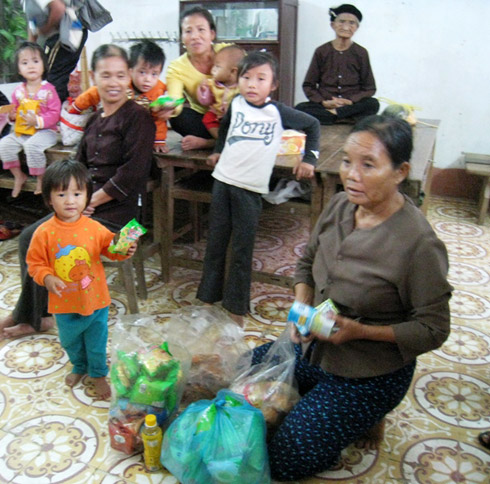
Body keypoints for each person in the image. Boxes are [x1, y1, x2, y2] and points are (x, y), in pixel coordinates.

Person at [252, 114, 452, 481]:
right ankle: (322, 403)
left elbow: (433, 329)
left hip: (369, 372)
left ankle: (364, 412)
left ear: (400, 172)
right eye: (347, 161)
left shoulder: (418, 245)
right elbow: (308, 261)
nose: (351, 175)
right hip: (315, 346)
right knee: (244, 372)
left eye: (368, 165)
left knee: (287, 458)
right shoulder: (340, 205)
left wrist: (359, 332)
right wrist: (301, 305)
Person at [0, 44, 155, 340]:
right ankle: (36, 316)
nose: (113, 82)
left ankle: (30, 317)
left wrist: (89, 201)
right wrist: (70, 198)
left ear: (129, 77)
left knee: (50, 242)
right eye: (105, 75)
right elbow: (78, 167)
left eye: (120, 75)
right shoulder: (94, 119)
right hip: (85, 208)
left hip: (124, 217)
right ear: (93, 78)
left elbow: (133, 173)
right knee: (31, 238)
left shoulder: (139, 117)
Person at [196, 51, 320, 325]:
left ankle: (236, 309)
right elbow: (225, 128)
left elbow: (313, 125)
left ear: (273, 85)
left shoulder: (277, 112)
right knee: (215, 244)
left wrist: (310, 159)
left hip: (249, 190)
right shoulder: (236, 103)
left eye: (261, 79)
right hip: (223, 182)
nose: (252, 84)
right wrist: (218, 151)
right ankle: (206, 300)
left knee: (242, 251)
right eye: (246, 77)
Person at [26, 160, 137, 400]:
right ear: (49, 199)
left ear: (87, 196)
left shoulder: (94, 227)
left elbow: (111, 249)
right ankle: (78, 365)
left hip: (95, 300)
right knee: (70, 341)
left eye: (77, 194)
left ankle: (97, 373)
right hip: (64, 303)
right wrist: (47, 277)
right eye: (61, 194)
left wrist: (124, 249)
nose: (70, 201)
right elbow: (34, 263)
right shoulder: (44, 232)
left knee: (97, 342)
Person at [69, 40, 170, 153]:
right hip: (115, 128)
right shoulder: (122, 84)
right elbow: (92, 94)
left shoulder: (158, 91)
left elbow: (159, 119)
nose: (148, 79)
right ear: (130, 71)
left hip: (140, 134)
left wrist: (159, 141)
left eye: (154, 74)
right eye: (142, 72)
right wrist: (75, 108)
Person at [295, 4, 379, 125]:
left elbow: (370, 88)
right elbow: (309, 85)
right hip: (327, 104)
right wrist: (323, 102)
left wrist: (350, 101)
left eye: (352, 23)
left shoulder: (361, 53)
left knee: (373, 104)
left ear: (357, 27)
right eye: (341, 21)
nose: (346, 27)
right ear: (333, 25)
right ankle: (343, 117)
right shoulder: (321, 51)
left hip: (351, 105)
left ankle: (332, 116)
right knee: (300, 108)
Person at [163, 6, 229, 150]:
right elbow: (175, 99)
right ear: (182, 37)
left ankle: (209, 143)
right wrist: (167, 108)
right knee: (179, 118)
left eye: (201, 29)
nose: (194, 36)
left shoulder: (228, 52)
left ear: (212, 34)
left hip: (233, 114)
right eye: (188, 31)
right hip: (205, 120)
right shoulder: (176, 67)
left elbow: (247, 77)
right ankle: (225, 142)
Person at [0, 42, 61, 197]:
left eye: (35, 61)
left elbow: (55, 113)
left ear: (44, 65)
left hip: (45, 131)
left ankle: (41, 179)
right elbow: (14, 110)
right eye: (25, 63)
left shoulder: (49, 90)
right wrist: (12, 117)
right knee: (4, 144)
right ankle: (18, 175)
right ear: (19, 69)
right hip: (23, 131)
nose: (31, 66)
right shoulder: (18, 91)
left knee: (32, 147)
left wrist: (38, 121)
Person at [24, 0, 88, 102]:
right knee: (56, 79)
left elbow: (59, 9)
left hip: (64, 34)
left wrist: (45, 29)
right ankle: (59, 107)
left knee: (52, 80)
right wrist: (29, 51)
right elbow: (33, 26)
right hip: (61, 35)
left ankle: (53, 110)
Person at [196, 44, 245, 139]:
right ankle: (220, 139)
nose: (212, 70)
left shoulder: (241, 86)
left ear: (233, 71)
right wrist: (203, 90)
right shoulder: (212, 84)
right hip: (217, 114)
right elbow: (206, 102)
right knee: (208, 118)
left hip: (235, 116)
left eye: (217, 67)